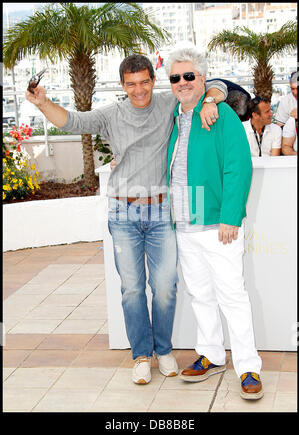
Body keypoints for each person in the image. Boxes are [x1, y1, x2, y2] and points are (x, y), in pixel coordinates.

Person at [25, 54, 227, 385]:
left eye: (144, 82)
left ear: (153, 81)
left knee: (164, 287)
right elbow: (72, 121)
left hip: (161, 210)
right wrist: (43, 102)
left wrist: (211, 101)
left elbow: (215, 85)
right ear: (122, 85)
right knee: (132, 289)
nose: (138, 90)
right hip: (123, 212)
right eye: (131, 84)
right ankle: (141, 355)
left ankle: (163, 350)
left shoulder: (168, 104)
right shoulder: (111, 114)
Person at [165, 47, 263, 400]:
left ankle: (248, 366)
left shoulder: (219, 113)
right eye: (175, 78)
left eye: (189, 76)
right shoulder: (173, 116)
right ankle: (211, 354)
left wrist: (230, 216)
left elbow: (239, 167)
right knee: (200, 294)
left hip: (218, 224)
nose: (182, 83)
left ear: (203, 79)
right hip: (185, 225)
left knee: (232, 296)